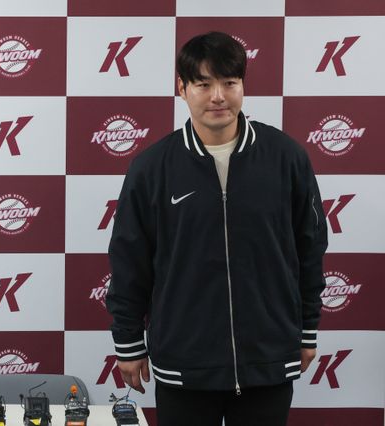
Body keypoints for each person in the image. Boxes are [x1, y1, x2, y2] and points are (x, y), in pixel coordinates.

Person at [106, 31, 328, 426]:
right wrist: (128, 342)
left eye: (229, 82)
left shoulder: (286, 157)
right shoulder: (152, 168)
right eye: (203, 84)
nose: (218, 97)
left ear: (243, 86)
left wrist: (308, 328)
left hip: (267, 358)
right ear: (182, 88)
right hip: (184, 363)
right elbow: (129, 261)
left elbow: (309, 248)